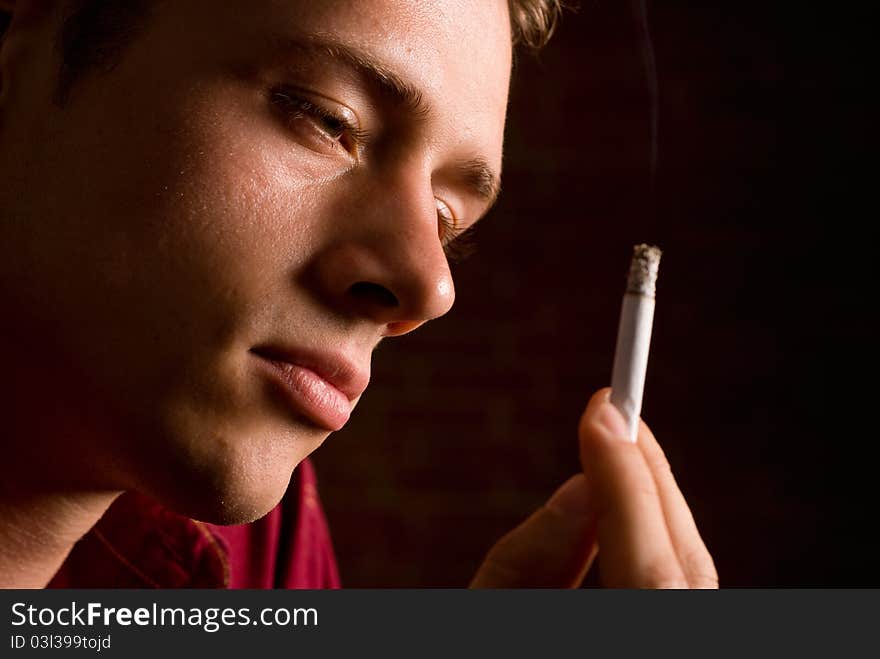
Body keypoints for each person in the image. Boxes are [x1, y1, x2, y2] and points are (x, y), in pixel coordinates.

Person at [0, 0, 717, 589]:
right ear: (27, 34)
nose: (429, 285)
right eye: (326, 118)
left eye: (447, 219)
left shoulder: (258, 559)